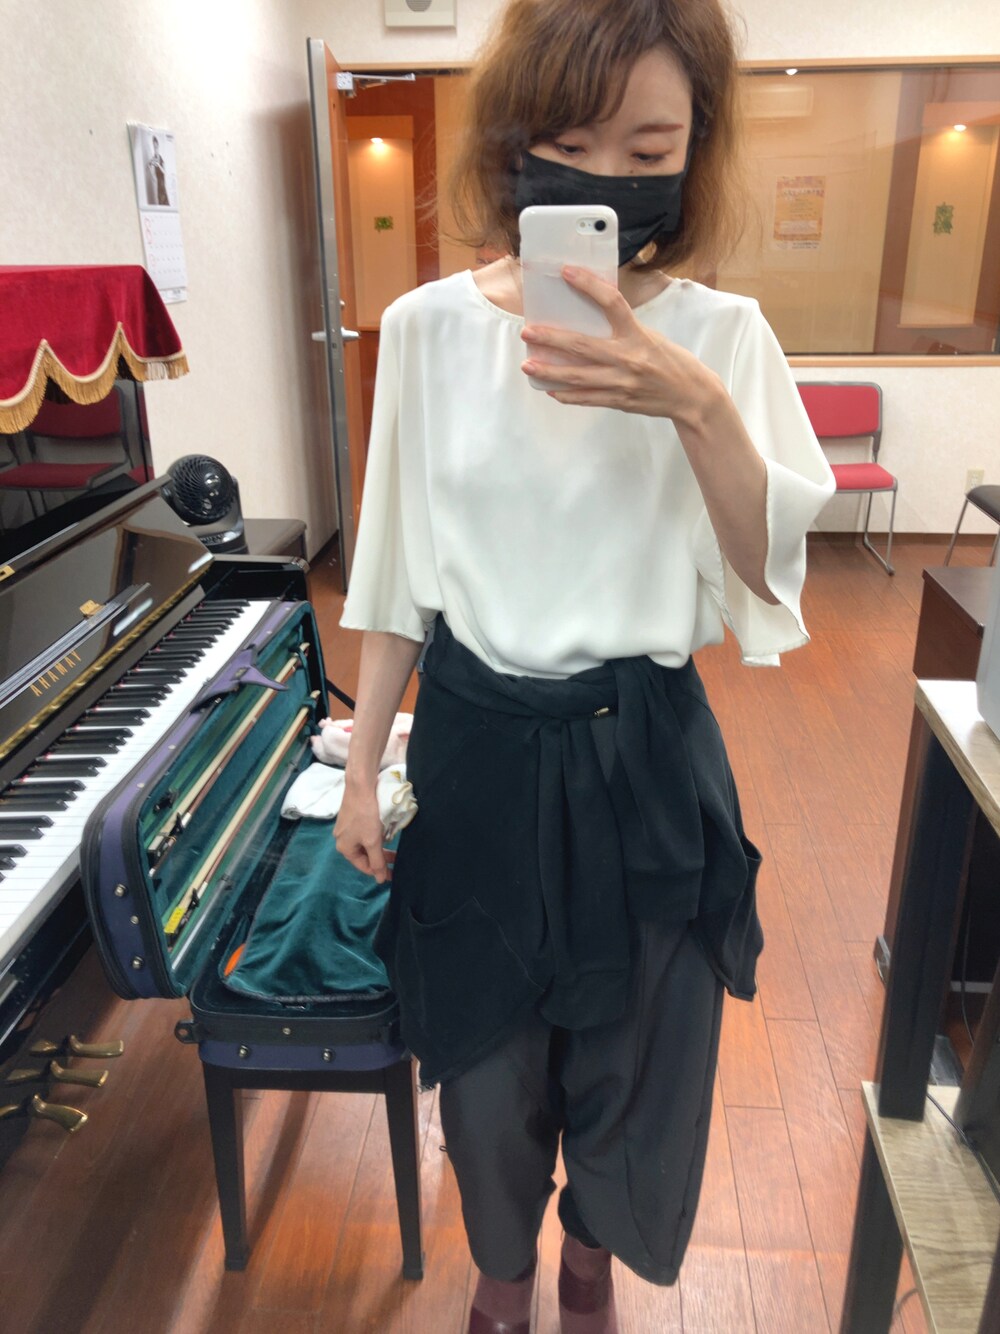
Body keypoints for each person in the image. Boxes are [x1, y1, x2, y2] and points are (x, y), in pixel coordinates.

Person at [335, 2, 835, 1331]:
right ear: (514, 140)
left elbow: (767, 578)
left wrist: (692, 403)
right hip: (479, 748)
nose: (608, 178)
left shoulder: (723, 340)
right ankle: (503, 1274)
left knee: (640, 1063)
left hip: (644, 753)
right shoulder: (428, 329)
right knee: (487, 1070)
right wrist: (363, 770)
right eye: (570, 142)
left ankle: (590, 1264)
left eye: (649, 149)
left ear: (694, 153)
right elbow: (392, 572)